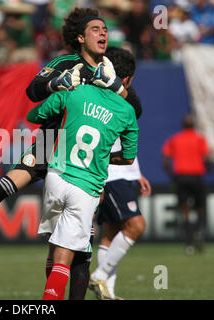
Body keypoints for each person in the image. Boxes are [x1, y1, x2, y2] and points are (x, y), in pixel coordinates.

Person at [0, 7, 143, 300]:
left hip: (78, 160)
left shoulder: (108, 69)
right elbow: (32, 91)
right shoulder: (65, 61)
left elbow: (135, 108)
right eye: (96, 29)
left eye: (105, 29)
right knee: (6, 186)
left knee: (81, 249)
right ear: (80, 38)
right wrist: (57, 82)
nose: (104, 32)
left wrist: (116, 86)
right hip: (48, 143)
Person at [26, 48, 139, 300]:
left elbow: (33, 115)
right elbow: (129, 157)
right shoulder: (127, 111)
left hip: (55, 175)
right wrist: (106, 157)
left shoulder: (75, 91)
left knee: (55, 248)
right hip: (86, 187)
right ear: (126, 81)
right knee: (65, 258)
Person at [89, 52, 151, 298]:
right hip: (110, 174)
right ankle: (99, 277)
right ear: (127, 79)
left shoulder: (105, 95)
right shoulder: (115, 99)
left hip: (119, 171)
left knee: (110, 234)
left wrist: (136, 172)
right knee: (136, 225)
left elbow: (122, 140)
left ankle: (108, 294)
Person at [162, 114, 210, 255]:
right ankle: (199, 232)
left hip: (181, 177)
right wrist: (206, 167)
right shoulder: (200, 139)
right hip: (196, 176)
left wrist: (172, 176)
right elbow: (206, 158)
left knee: (185, 211)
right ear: (193, 125)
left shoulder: (175, 139)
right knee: (200, 207)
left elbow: (165, 160)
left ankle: (188, 244)